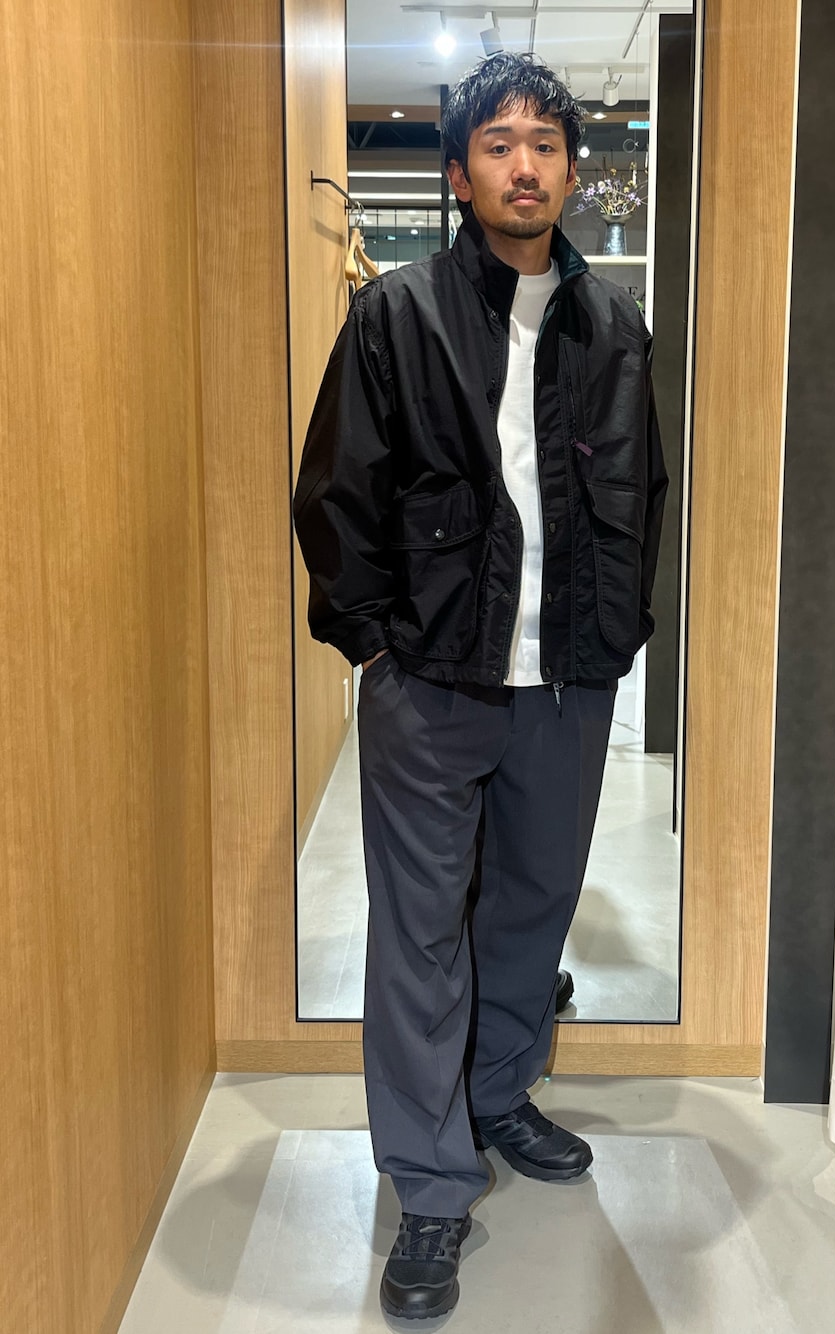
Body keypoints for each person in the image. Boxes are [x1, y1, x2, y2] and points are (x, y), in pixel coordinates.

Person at [293, 52, 667, 1320]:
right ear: (459, 174)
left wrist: (616, 636)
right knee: (418, 934)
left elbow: (639, 493)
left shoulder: (616, 328)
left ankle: (498, 1092)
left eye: (544, 145)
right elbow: (337, 488)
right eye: (498, 145)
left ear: (569, 168)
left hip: (567, 681)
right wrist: (373, 644)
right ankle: (431, 1183)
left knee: (530, 907)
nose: (524, 166)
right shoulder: (395, 315)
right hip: (431, 678)